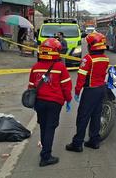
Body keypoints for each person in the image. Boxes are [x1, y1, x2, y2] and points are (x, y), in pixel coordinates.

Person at [28, 38, 73, 167]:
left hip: (39, 103)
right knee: (50, 128)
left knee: (43, 126)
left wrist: (33, 103)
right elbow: (66, 87)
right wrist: (69, 100)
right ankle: (46, 156)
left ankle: (44, 151)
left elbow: (31, 87)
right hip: (54, 103)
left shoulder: (36, 67)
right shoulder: (60, 67)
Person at [66, 32, 109, 152]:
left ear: (91, 46)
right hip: (101, 89)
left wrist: (77, 91)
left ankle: (77, 143)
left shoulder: (88, 59)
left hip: (90, 91)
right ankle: (94, 141)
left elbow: (81, 77)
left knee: (82, 117)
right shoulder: (105, 58)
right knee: (96, 115)